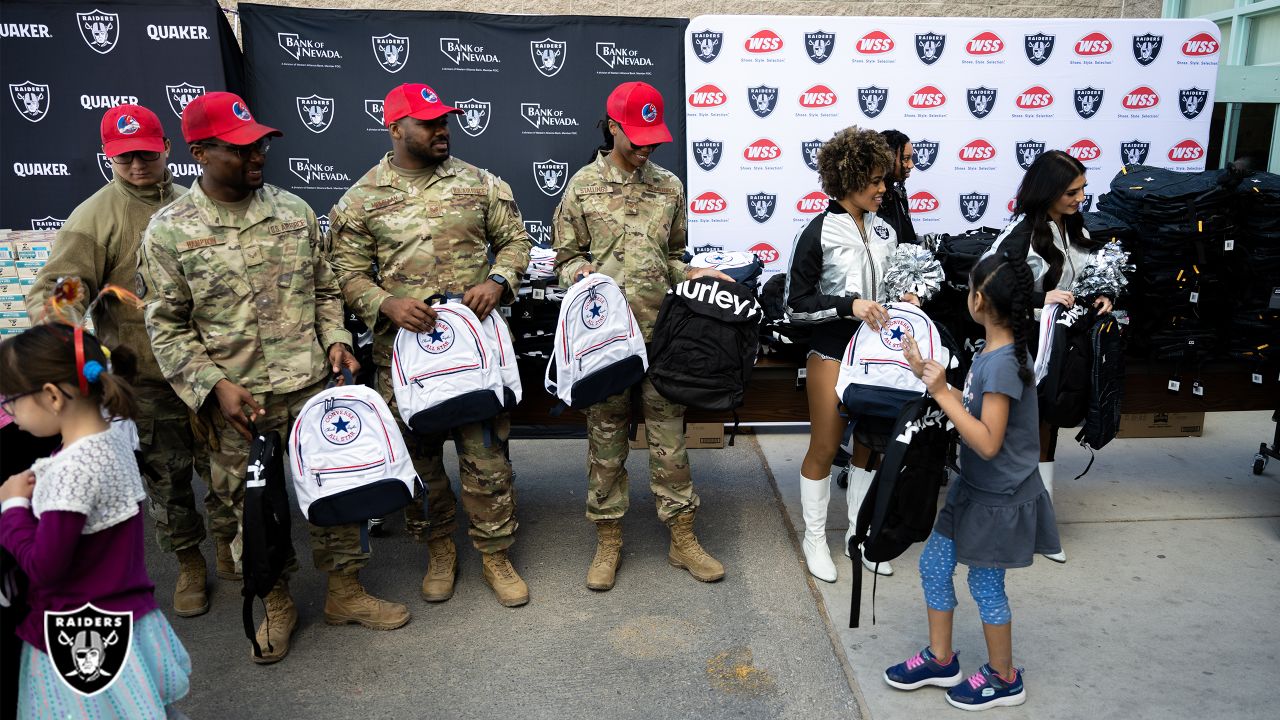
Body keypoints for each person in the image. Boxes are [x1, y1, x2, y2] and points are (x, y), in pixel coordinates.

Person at [138, 92, 409, 665]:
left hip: (311, 386)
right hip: (238, 401)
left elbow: (327, 288)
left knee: (341, 488)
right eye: (239, 147)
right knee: (252, 510)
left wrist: (336, 338)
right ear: (200, 152)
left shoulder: (293, 211)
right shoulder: (168, 231)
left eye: (258, 141)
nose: (256, 152)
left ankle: (345, 592)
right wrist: (212, 385)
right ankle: (277, 603)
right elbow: (165, 327)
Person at [328, 83, 532, 608]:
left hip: (474, 355)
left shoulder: (479, 183)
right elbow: (343, 274)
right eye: (428, 122)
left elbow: (515, 241)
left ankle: (494, 551)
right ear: (395, 128)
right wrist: (385, 303)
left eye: (445, 120)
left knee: (486, 458)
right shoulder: (361, 198)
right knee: (421, 463)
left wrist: (499, 280)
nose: (442, 129)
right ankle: (440, 548)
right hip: (405, 358)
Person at [24, 104, 218, 620]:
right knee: (168, 479)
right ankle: (190, 561)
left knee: (224, 469)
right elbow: (61, 288)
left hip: (208, 368)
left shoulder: (192, 203)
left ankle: (233, 546)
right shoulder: (95, 216)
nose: (137, 167)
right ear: (109, 157)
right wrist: (64, 333)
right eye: (125, 158)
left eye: (146, 155)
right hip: (146, 377)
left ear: (167, 149)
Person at [553, 81, 728, 591]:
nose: (647, 146)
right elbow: (563, 260)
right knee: (606, 442)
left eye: (654, 137)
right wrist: (580, 275)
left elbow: (674, 256)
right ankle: (608, 541)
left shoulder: (670, 186)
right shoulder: (582, 186)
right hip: (604, 341)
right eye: (637, 137)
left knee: (670, 441)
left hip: (660, 337)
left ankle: (683, 536)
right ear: (612, 127)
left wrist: (695, 275)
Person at [885, 252, 1060, 711]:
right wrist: (935, 380)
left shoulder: (1002, 363)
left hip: (998, 497)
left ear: (978, 299)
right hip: (974, 489)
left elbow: (986, 441)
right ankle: (941, 660)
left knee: (985, 586)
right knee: (934, 566)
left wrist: (943, 393)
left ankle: (1005, 678)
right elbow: (980, 409)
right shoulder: (994, 353)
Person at [0, 324, 192, 718]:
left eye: (12, 401)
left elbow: (45, 567)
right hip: (127, 620)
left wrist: (13, 509)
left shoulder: (71, 469)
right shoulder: (113, 442)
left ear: (52, 395)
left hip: (78, 633)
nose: (9, 413)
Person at [784, 126, 917, 582]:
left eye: (885, 179)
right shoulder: (818, 231)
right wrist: (848, 306)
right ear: (847, 179)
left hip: (880, 356)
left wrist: (907, 298)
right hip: (832, 353)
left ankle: (858, 537)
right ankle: (814, 538)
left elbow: (895, 286)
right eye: (875, 181)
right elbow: (793, 307)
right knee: (824, 447)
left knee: (872, 448)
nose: (885, 188)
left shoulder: (885, 229)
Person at [983, 149, 1112, 562]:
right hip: (1022, 347)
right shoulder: (1019, 234)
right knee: (1018, 434)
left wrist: (1105, 293)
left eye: (1083, 189)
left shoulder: (1075, 225)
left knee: (1048, 428)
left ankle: (1041, 522)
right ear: (1050, 191)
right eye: (1073, 191)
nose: (1080, 198)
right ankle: (1008, 524)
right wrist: (1041, 297)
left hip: (1060, 346)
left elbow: (1088, 273)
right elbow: (987, 291)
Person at [878, 129, 918, 245]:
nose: (911, 165)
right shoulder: (868, 201)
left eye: (911, 158)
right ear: (888, 158)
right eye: (905, 159)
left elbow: (907, 238)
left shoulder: (897, 195)